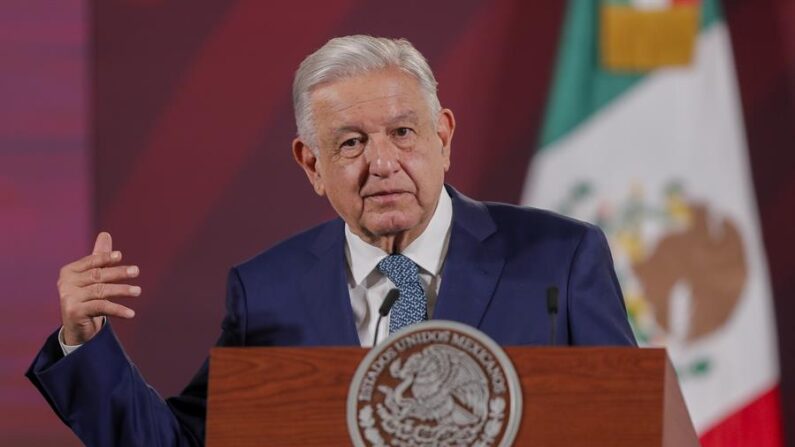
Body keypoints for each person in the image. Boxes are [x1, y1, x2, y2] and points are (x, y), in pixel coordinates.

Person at [27, 35, 636, 446]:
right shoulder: (269, 291)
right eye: (350, 144)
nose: (383, 163)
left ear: (443, 137)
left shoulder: (560, 259)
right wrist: (86, 344)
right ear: (310, 164)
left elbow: (631, 427)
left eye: (403, 132)